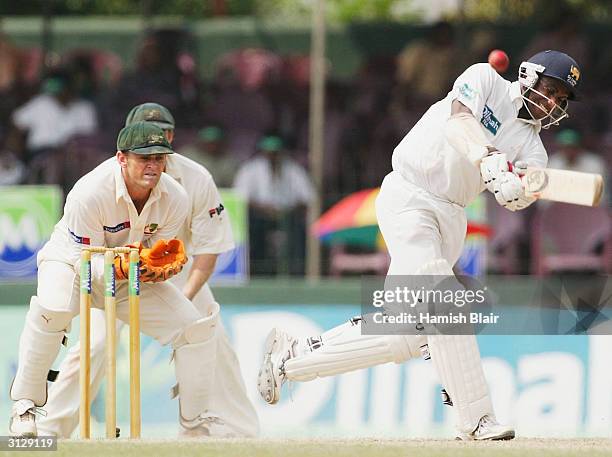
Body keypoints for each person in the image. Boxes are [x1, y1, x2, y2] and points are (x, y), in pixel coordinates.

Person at [257, 50, 581, 440]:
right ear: (528, 76)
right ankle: (475, 418)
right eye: (551, 91)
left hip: (452, 219)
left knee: (407, 332)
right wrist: (488, 158)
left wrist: (517, 191)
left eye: (561, 100)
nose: (552, 103)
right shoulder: (484, 79)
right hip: (411, 197)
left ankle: (291, 360)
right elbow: (458, 121)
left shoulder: (533, 147)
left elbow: (525, 187)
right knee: (445, 303)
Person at [36, 103, 259, 438]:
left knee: (208, 336)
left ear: (171, 136)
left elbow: (209, 249)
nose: (157, 142)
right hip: (111, 268)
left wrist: (178, 301)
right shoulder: (102, 180)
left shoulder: (196, 178)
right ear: (125, 146)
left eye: (164, 133)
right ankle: (49, 432)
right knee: (93, 346)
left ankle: (236, 433)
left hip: (172, 270)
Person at [234, 134, 314, 275]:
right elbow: (240, 197)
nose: (273, 156)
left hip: (287, 215)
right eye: (269, 153)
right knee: (254, 229)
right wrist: (263, 208)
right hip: (259, 215)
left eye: (276, 153)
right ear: (263, 152)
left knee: (298, 229)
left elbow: (307, 197)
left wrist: (288, 210)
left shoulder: (293, 169)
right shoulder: (250, 169)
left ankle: (295, 270)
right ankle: (258, 269)